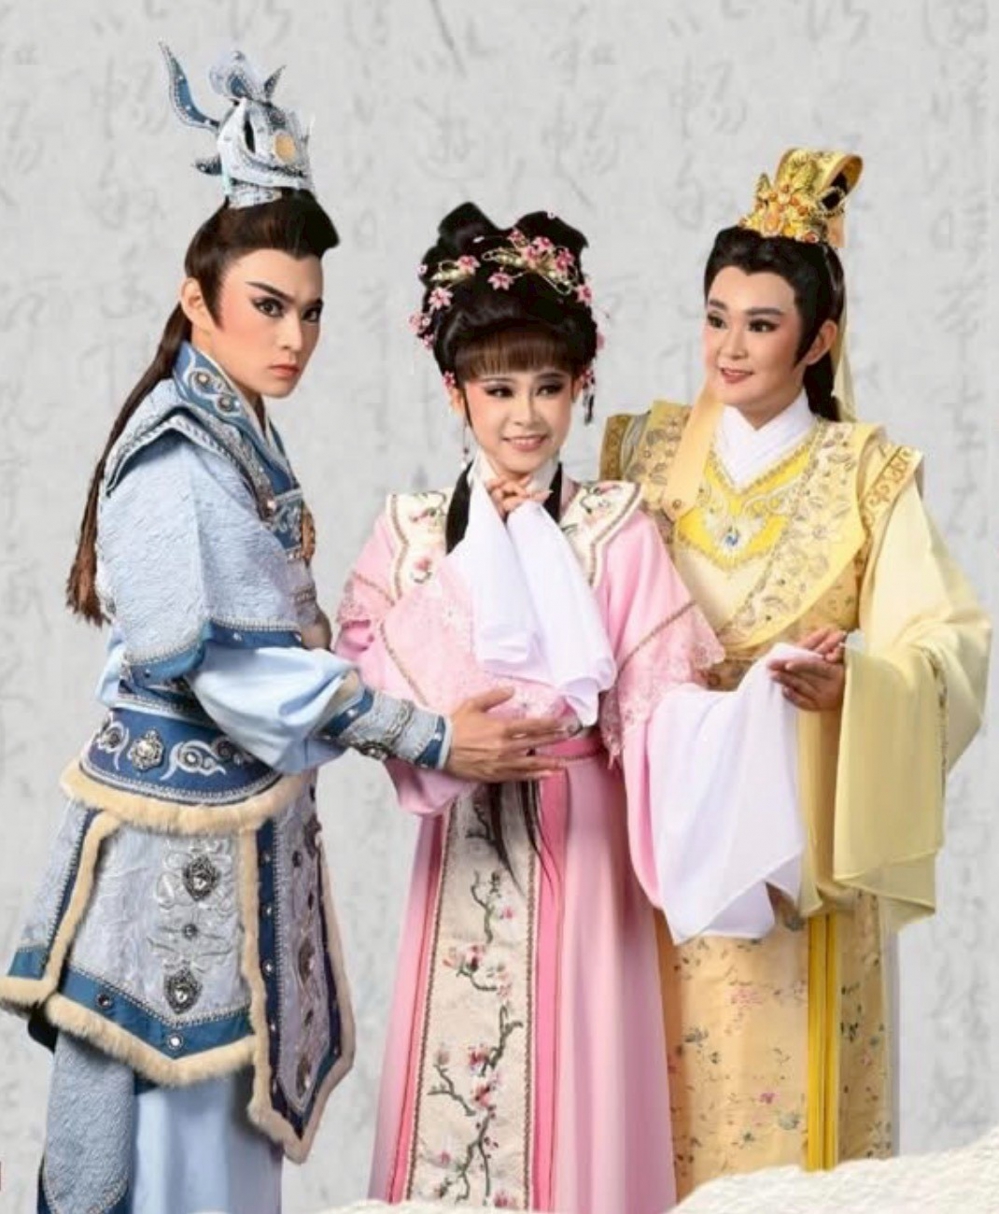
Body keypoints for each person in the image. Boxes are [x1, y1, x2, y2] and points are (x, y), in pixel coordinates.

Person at [0, 48, 564, 1214]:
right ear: (196, 298)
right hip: (171, 866)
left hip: (224, 842)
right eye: (268, 304)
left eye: (309, 311)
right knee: (180, 1159)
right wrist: (426, 732)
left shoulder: (234, 426)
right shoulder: (176, 457)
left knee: (218, 1150)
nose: (294, 334)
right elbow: (240, 674)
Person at [600, 148, 991, 1197]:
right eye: (715, 317)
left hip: (799, 835)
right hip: (663, 830)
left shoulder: (866, 473)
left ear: (818, 339)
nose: (729, 347)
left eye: (761, 324)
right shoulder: (641, 454)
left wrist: (858, 688)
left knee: (794, 1147)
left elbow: (948, 641)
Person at [333, 202, 731, 1213]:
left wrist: (761, 703)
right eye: (499, 388)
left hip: (581, 840)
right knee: (454, 1083)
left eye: (549, 387)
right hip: (464, 837)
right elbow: (354, 678)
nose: (525, 416)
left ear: (579, 386)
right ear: (455, 391)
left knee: (577, 1087)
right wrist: (442, 728)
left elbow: (665, 707)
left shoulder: (613, 525)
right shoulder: (414, 530)